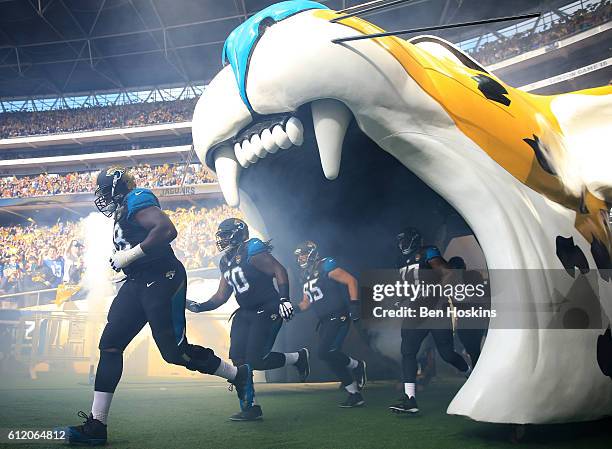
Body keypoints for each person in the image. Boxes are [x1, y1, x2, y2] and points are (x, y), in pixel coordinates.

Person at [60, 167, 254, 445]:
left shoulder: (137, 197)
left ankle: (238, 375)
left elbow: (166, 229)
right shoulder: (122, 211)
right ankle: (97, 425)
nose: (101, 197)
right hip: (137, 281)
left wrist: (130, 255)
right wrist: (126, 259)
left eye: (104, 190)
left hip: (163, 276)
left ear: (116, 187)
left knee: (173, 353)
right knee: (110, 345)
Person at [186, 218, 309, 421]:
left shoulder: (251, 249)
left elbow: (279, 270)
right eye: (221, 236)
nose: (223, 239)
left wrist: (284, 299)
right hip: (245, 311)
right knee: (238, 359)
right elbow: (221, 296)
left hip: (267, 307)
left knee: (256, 359)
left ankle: (297, 358)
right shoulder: (225, 261)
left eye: (226, 234)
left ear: (238, 233)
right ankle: (250, 407)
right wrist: (198, 306)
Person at [389, 228, 469, 415]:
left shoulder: (428, 252)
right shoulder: (400, 260)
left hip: (435, 310)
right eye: (400, 241)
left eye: (405, 240)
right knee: (407, 352)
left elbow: (447, 272)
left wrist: (433, 294)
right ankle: (410, 399)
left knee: (447, 354)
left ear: (415, 240)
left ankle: (470, 374)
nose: (401, 244)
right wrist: (400, 299)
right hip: (415, 313)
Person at [294, 241, 367, 408]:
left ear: (312, 253)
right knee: (328, 355)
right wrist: (293, 309)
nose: (300, 258)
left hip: (338, 315)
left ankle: (356, 375)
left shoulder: (325, 265)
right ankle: (355, 387)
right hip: (325, 320)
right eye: (298, 255)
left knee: (326, 352)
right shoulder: (304, 274)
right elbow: (306, 303)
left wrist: (354, 304)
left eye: (303, 254)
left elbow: (351, 281)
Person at [448, 256, 489, 367]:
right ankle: (477, 369)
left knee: (474, 349)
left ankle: (478, 370)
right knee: (472, 349)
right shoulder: (452, 281)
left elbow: (475, 296)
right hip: (467, 319)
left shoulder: (472, 276)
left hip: (474, 318)